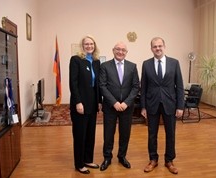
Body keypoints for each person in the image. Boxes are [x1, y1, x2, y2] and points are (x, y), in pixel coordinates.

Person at [140, 37, 184, 174]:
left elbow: (180, 86)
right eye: (154, 46)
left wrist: (180, 106)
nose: (157, 48)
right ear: (151, 48)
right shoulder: (146, 64)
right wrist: (143, 107)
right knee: (152, 134)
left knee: (170, 134)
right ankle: (153, 159)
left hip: (170, 104)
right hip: (151, 104)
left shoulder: (174, 63)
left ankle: (169, 160)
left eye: (160, 46)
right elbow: (144, 87)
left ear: (164, 46)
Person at [99, 42, 139, 171]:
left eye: (123, 50)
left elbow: (135, 87)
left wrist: (126, 103)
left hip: (127, 107)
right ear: (113, 50)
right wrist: (114, 103)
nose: (120, 52)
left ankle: (122, 156)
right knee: (108, 133)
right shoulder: (105, 66)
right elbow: (102, 86)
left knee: (125, 133)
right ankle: (107, 157)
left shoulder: (132, 67)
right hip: (111, 107)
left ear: (126, 52)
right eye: (118, 49)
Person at [69, 35, 102, 174]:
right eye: (86, 44)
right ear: (82, 46)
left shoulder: (96, 61)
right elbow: (73, 83)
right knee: (80, 134)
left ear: (94, 46)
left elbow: (98, 84)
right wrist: (78, 102)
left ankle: (88, 159)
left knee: (90, 134)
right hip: (80, 104)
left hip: (93, 104)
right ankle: (79, 163)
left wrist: (99, 101)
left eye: (91, 44)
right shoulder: (76, 60)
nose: (89, 46)